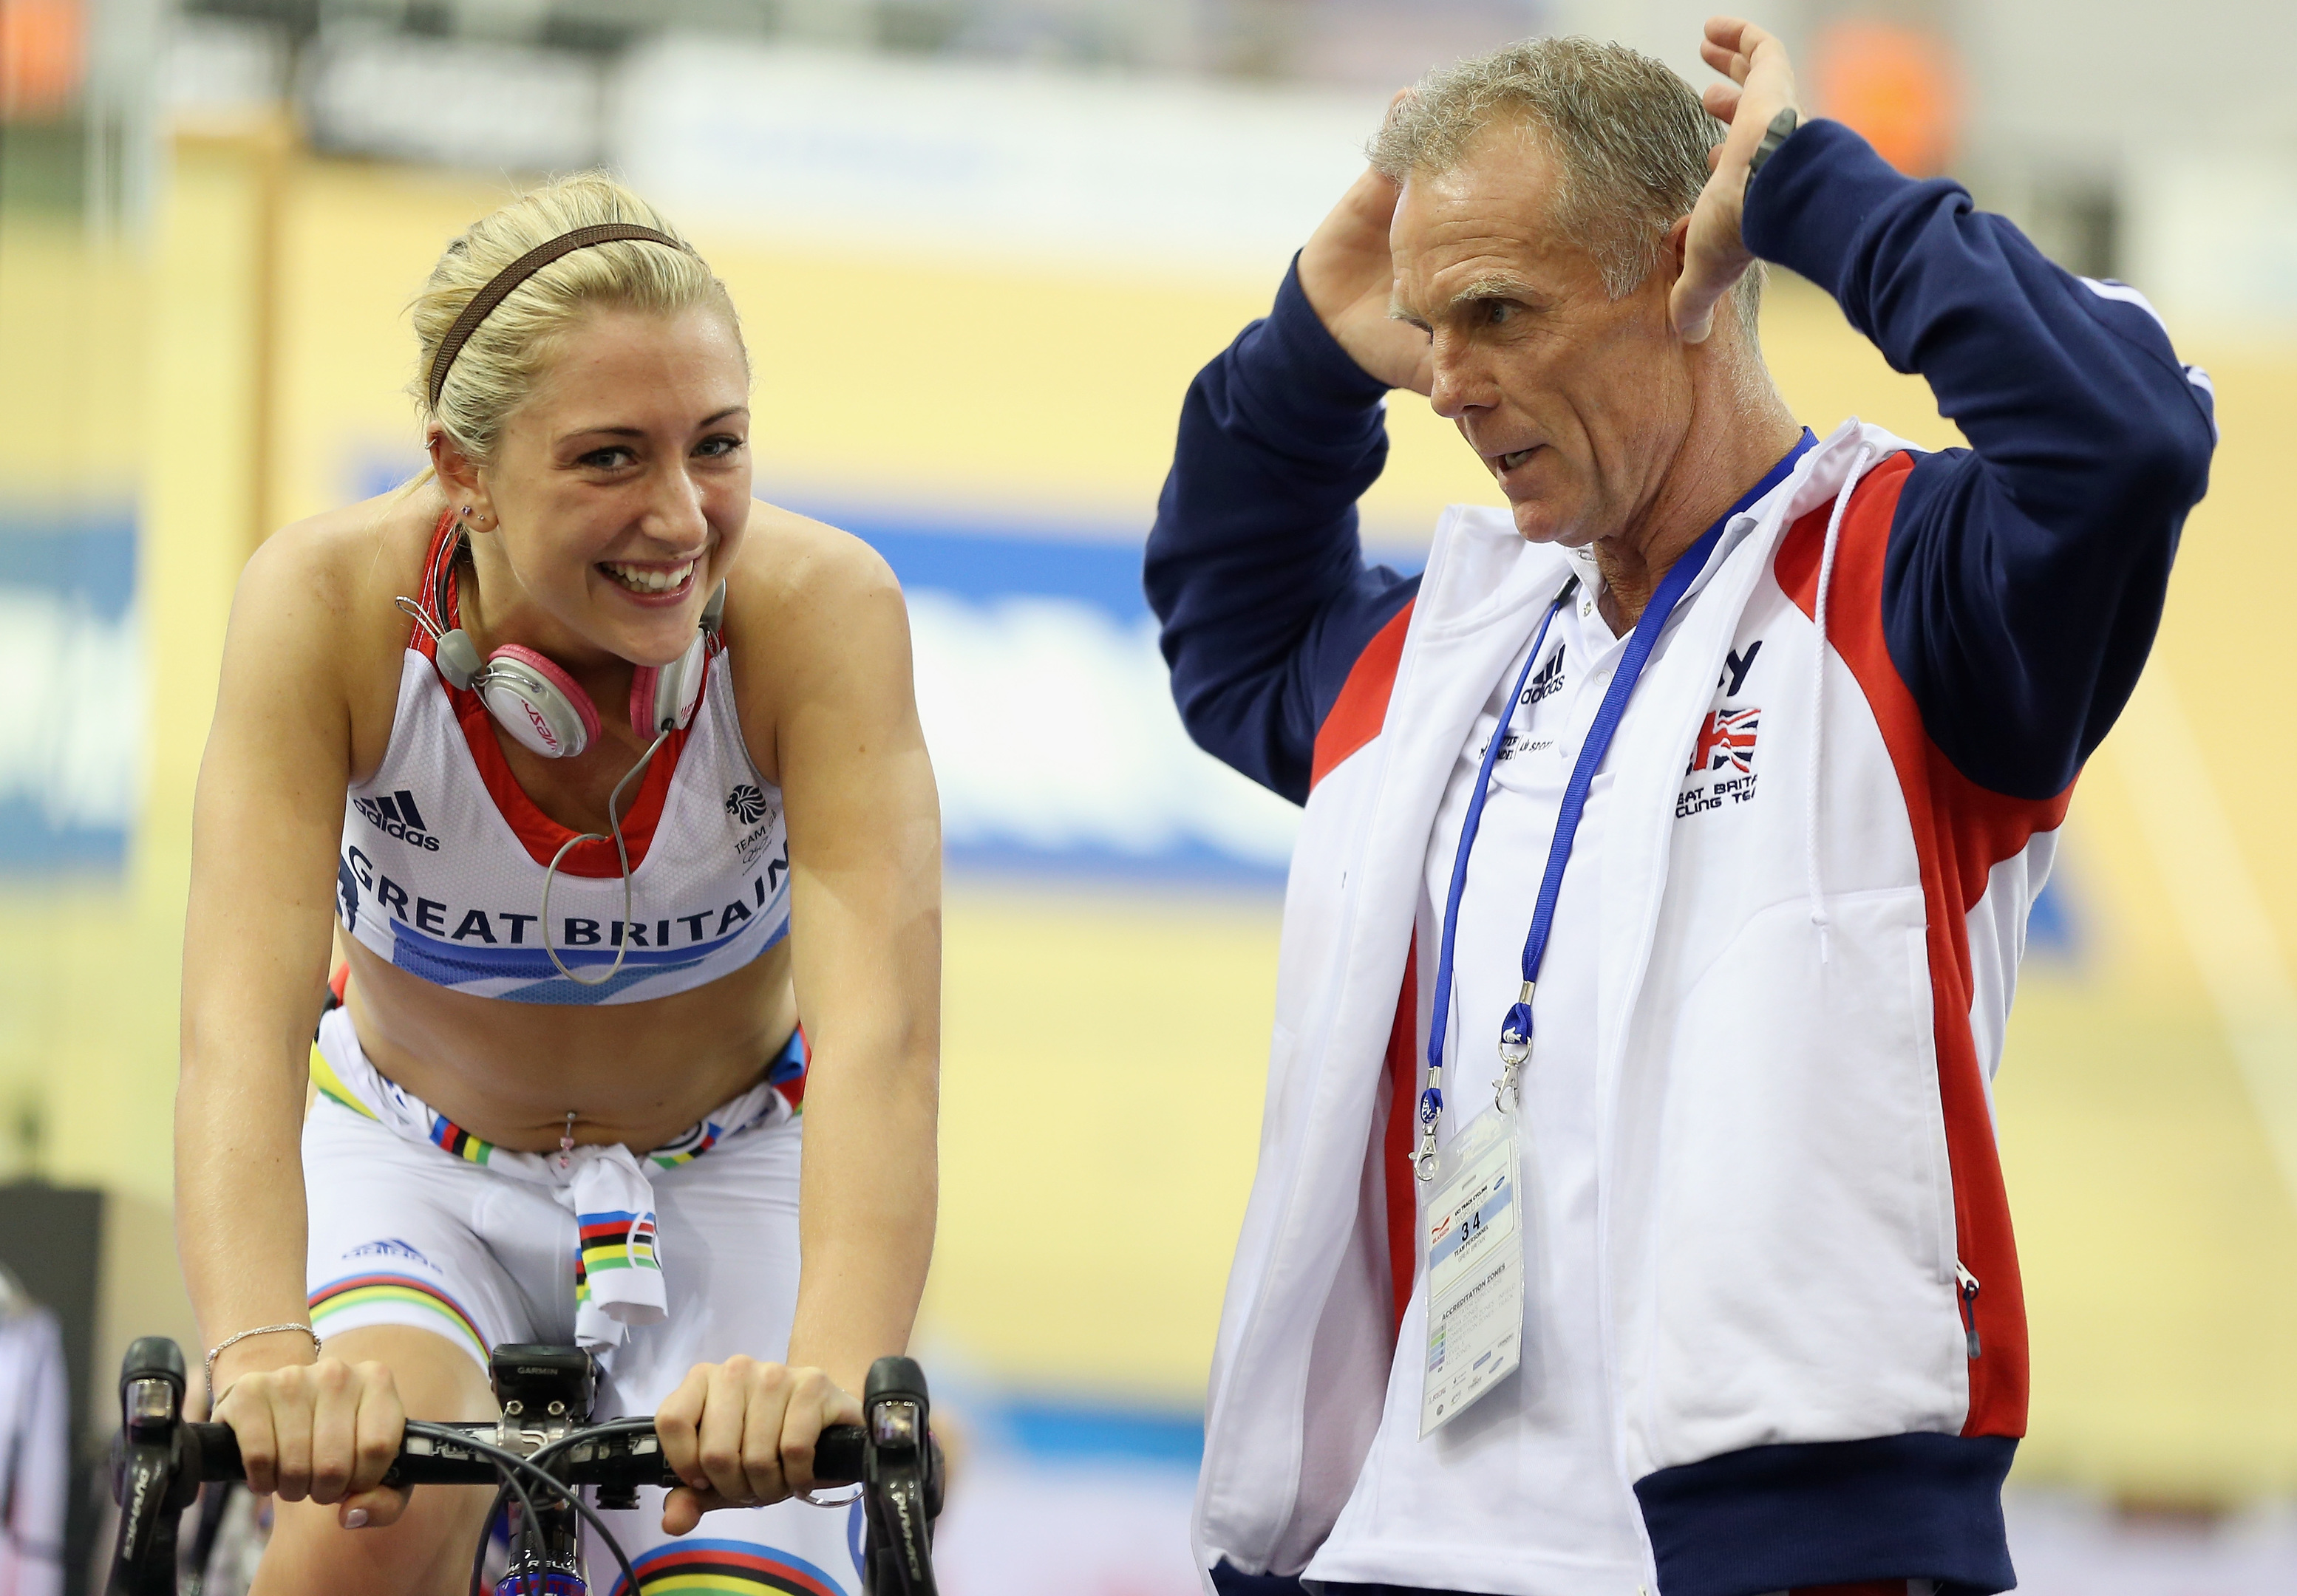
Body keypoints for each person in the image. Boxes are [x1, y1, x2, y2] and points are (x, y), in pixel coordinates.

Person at [1147, 19, 2213, 1596]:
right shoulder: (1457, 653)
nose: (1446, 384)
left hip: (1780, 1550)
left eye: (1498, 313)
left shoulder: (1901, 586)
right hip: (1394, 1544)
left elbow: (2123, 440)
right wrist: (1309, 350)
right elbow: (1230, 630)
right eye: (1430, 326)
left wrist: (1809, 188)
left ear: (1685, 273)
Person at [176, 172, 940, 1595]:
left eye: (715, 446)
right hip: (415, 1160)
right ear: (462, 471)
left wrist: (828, 1373)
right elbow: (239, 1031)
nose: (681, 519)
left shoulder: (821, 613)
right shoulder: (327, 606)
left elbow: (882, 1048)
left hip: (727, 1168)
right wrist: (266, 1352)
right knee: (370, 1532)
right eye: (608, 459)